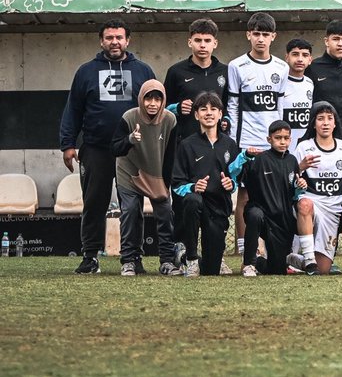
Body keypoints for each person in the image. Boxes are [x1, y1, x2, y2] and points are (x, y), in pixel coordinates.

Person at [60, 19, 157, 274]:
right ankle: (90, 257)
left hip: (132, 150)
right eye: (109, 37)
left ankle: (133, 257)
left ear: (128, 40)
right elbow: (74, 110)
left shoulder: (143, 71)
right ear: (101, 41)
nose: (115, 42)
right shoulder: (86, 71)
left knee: (133, 205)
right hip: (96, 149)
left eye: (119, 37)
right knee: (94, 203)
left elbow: (154, 110)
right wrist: (67, 144)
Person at [226, 12, 288, 263]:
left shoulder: (281, 67)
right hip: (247, 142)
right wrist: (234, 143)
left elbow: (279, 107)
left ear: (273, 37)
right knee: (245, 194)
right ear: (248, 35)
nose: (261, 39)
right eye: (256, 34)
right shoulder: (236, 66)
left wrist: (281, 139)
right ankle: (244, 247)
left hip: (272, 143)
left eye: (265, 34)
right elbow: (232, 106)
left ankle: (272, 244)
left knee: (275, 194)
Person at [110, 80, 178, 276]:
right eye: (148, 98)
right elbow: (114, 148)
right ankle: (129, 260)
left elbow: (171, 155)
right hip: (129, 173)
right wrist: (130, 140)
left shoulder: (170, 120)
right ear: (141, 99)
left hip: (156, 173)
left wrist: (166, 184)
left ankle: (166, 261)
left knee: (165, 213)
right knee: (131, 211)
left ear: (163, 101)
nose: (152, 103)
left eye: (157, 99)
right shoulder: (129, 117)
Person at [172, 92, 242, 277]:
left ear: (220, 114)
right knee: (192, 201)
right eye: (203, 109)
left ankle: (207, 259)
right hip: (196, 205)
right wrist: (194, 187)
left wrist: (230, 184)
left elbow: (235, 177)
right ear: (196, 115)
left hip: (218, 207)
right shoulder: (187, 145)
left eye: (213, 109)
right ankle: (192, 259)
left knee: (211, 271)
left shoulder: (230, 145)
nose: (208, 113)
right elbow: (176, 184)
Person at [289, 102, 342, 276]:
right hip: (310, 204)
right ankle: (308, 260)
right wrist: (300, 167)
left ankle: (295, 260)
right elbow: (290, 180)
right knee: (305, 204)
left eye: (329, 118)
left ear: (335, 123)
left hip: (333, 210)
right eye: (320, 119)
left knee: (323, 270)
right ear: (313, 123)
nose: (325, 123)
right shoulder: (304, 147)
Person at [239, 120, 305, 276]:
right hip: (261, 214)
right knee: (255, 214)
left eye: (286, 138)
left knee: (276, 270)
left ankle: (262, 261)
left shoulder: (292, 161)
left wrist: (299, 186)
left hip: (281, 220)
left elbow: (294, 193)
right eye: (278, 137)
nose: (282, 141)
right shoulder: (259, 159)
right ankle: (249, 263)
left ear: (290, 139)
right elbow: (238, 175)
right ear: (269, 139)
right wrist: (244, 158)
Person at [163, 17, 227, 143]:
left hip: (216, 143)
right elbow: (162, 109)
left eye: (207, 40)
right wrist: (177, 108)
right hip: (184, 142)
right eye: (198, 40)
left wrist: (227, 120)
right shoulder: (175, 71)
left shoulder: (226, 71)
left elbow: (230, 105)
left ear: (215, 43)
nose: (202, 45)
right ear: (189, 42)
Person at [306, 20, 342, 142]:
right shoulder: (312, 68)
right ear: (326, 41)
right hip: (319, 137)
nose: (340, 44)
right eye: (335, 39)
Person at [280, 38, 315, 132]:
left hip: (304, 143)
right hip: (284, 142)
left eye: (305, 55)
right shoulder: (280, 83)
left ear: (310, 59)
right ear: (287, 57)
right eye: (295, 54)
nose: (300, 59)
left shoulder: (309, 83)